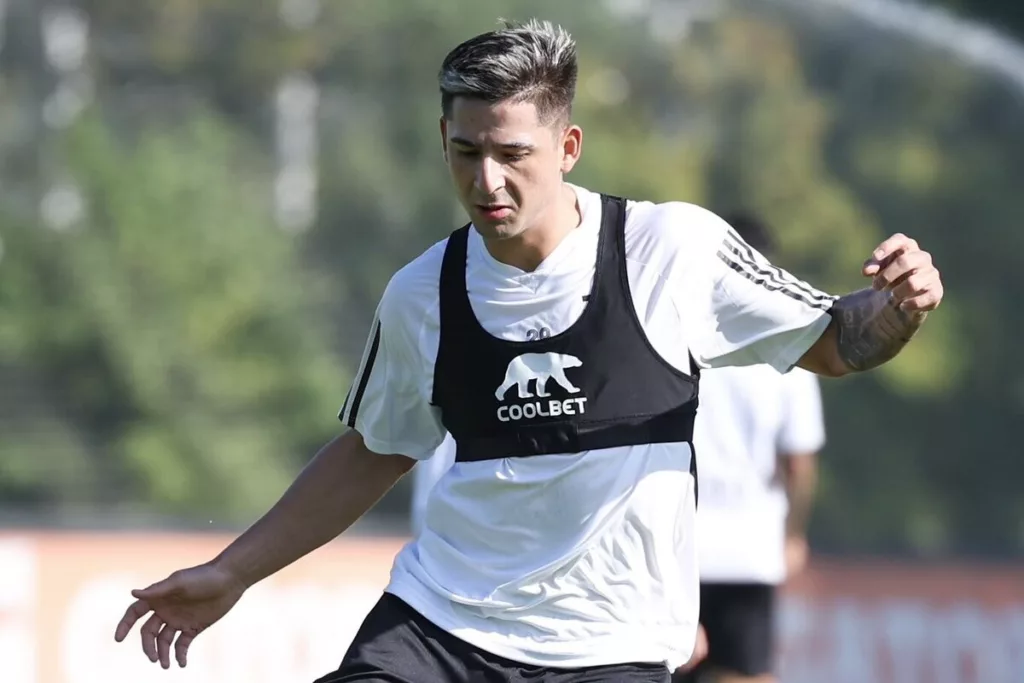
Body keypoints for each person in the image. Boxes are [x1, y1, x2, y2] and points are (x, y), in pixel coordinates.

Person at [112, 19, 944, 683]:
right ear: (443, 139)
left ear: (568, 147)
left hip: (611, 644)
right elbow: (373, 450)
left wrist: (900, 306)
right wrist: (233, 571)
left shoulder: (669, 250)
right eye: (467, 152)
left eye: (513, 155)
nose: (488, 182)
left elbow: (838, 340)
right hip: (443, 621)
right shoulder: (423, 291)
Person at [671, 212, 826, 683]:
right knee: (743, 673)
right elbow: (798, 463)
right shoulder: (789, 352)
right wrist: (793, 535)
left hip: (674, 548)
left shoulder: (670, 338)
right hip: (748, 545)